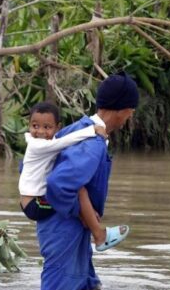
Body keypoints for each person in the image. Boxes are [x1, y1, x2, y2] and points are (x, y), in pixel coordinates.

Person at [37, 72, 139, 290]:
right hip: (64, 232)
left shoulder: (77, 129)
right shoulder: (93, 143)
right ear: (122, 110)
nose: (129, 118)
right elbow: (58, 184)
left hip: (69, 232)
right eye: (130, 112)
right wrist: (82, 213)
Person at [18, 101, 129, 252]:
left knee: (76, 195)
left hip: (34, 200)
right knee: (78, 191)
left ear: (58, 128)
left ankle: (87, 219)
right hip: (34, 205)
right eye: (35, 126)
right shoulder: (37, 145)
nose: (40, 132)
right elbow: (64, 142)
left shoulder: (46, 142)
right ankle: (99, 235)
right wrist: (92, 130)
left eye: (47, 127)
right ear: (29, 125)